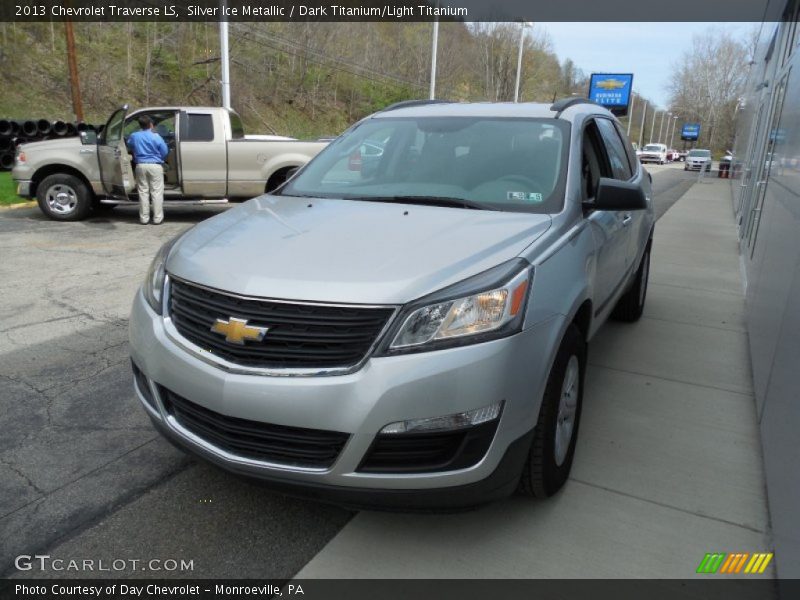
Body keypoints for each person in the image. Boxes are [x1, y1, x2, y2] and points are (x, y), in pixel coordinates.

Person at [126, 115, 169, 225]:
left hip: (140, 166)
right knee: (156, 192)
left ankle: (144, 218)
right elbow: (164, 151)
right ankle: (157, 218)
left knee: (143, 192)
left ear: (140, 125)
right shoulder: (156, 136)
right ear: (151, 124)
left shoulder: (134, 136)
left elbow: (129, 145)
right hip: (155, 165)